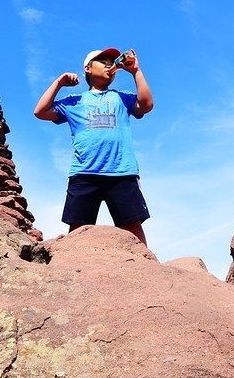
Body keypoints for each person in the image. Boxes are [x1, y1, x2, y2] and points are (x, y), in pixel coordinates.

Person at [33, 47, 154, 245]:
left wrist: (136, 72)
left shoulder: (121, 97)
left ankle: (147, 269)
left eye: (111, 61)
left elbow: (147, 105)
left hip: (121, 172)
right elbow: (40, 111)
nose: (109, 64)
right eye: (103, 60)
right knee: (78, 230)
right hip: (84, 173)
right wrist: (59, 83)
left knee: (132, 227)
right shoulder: (74, 101)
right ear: (88, 68)